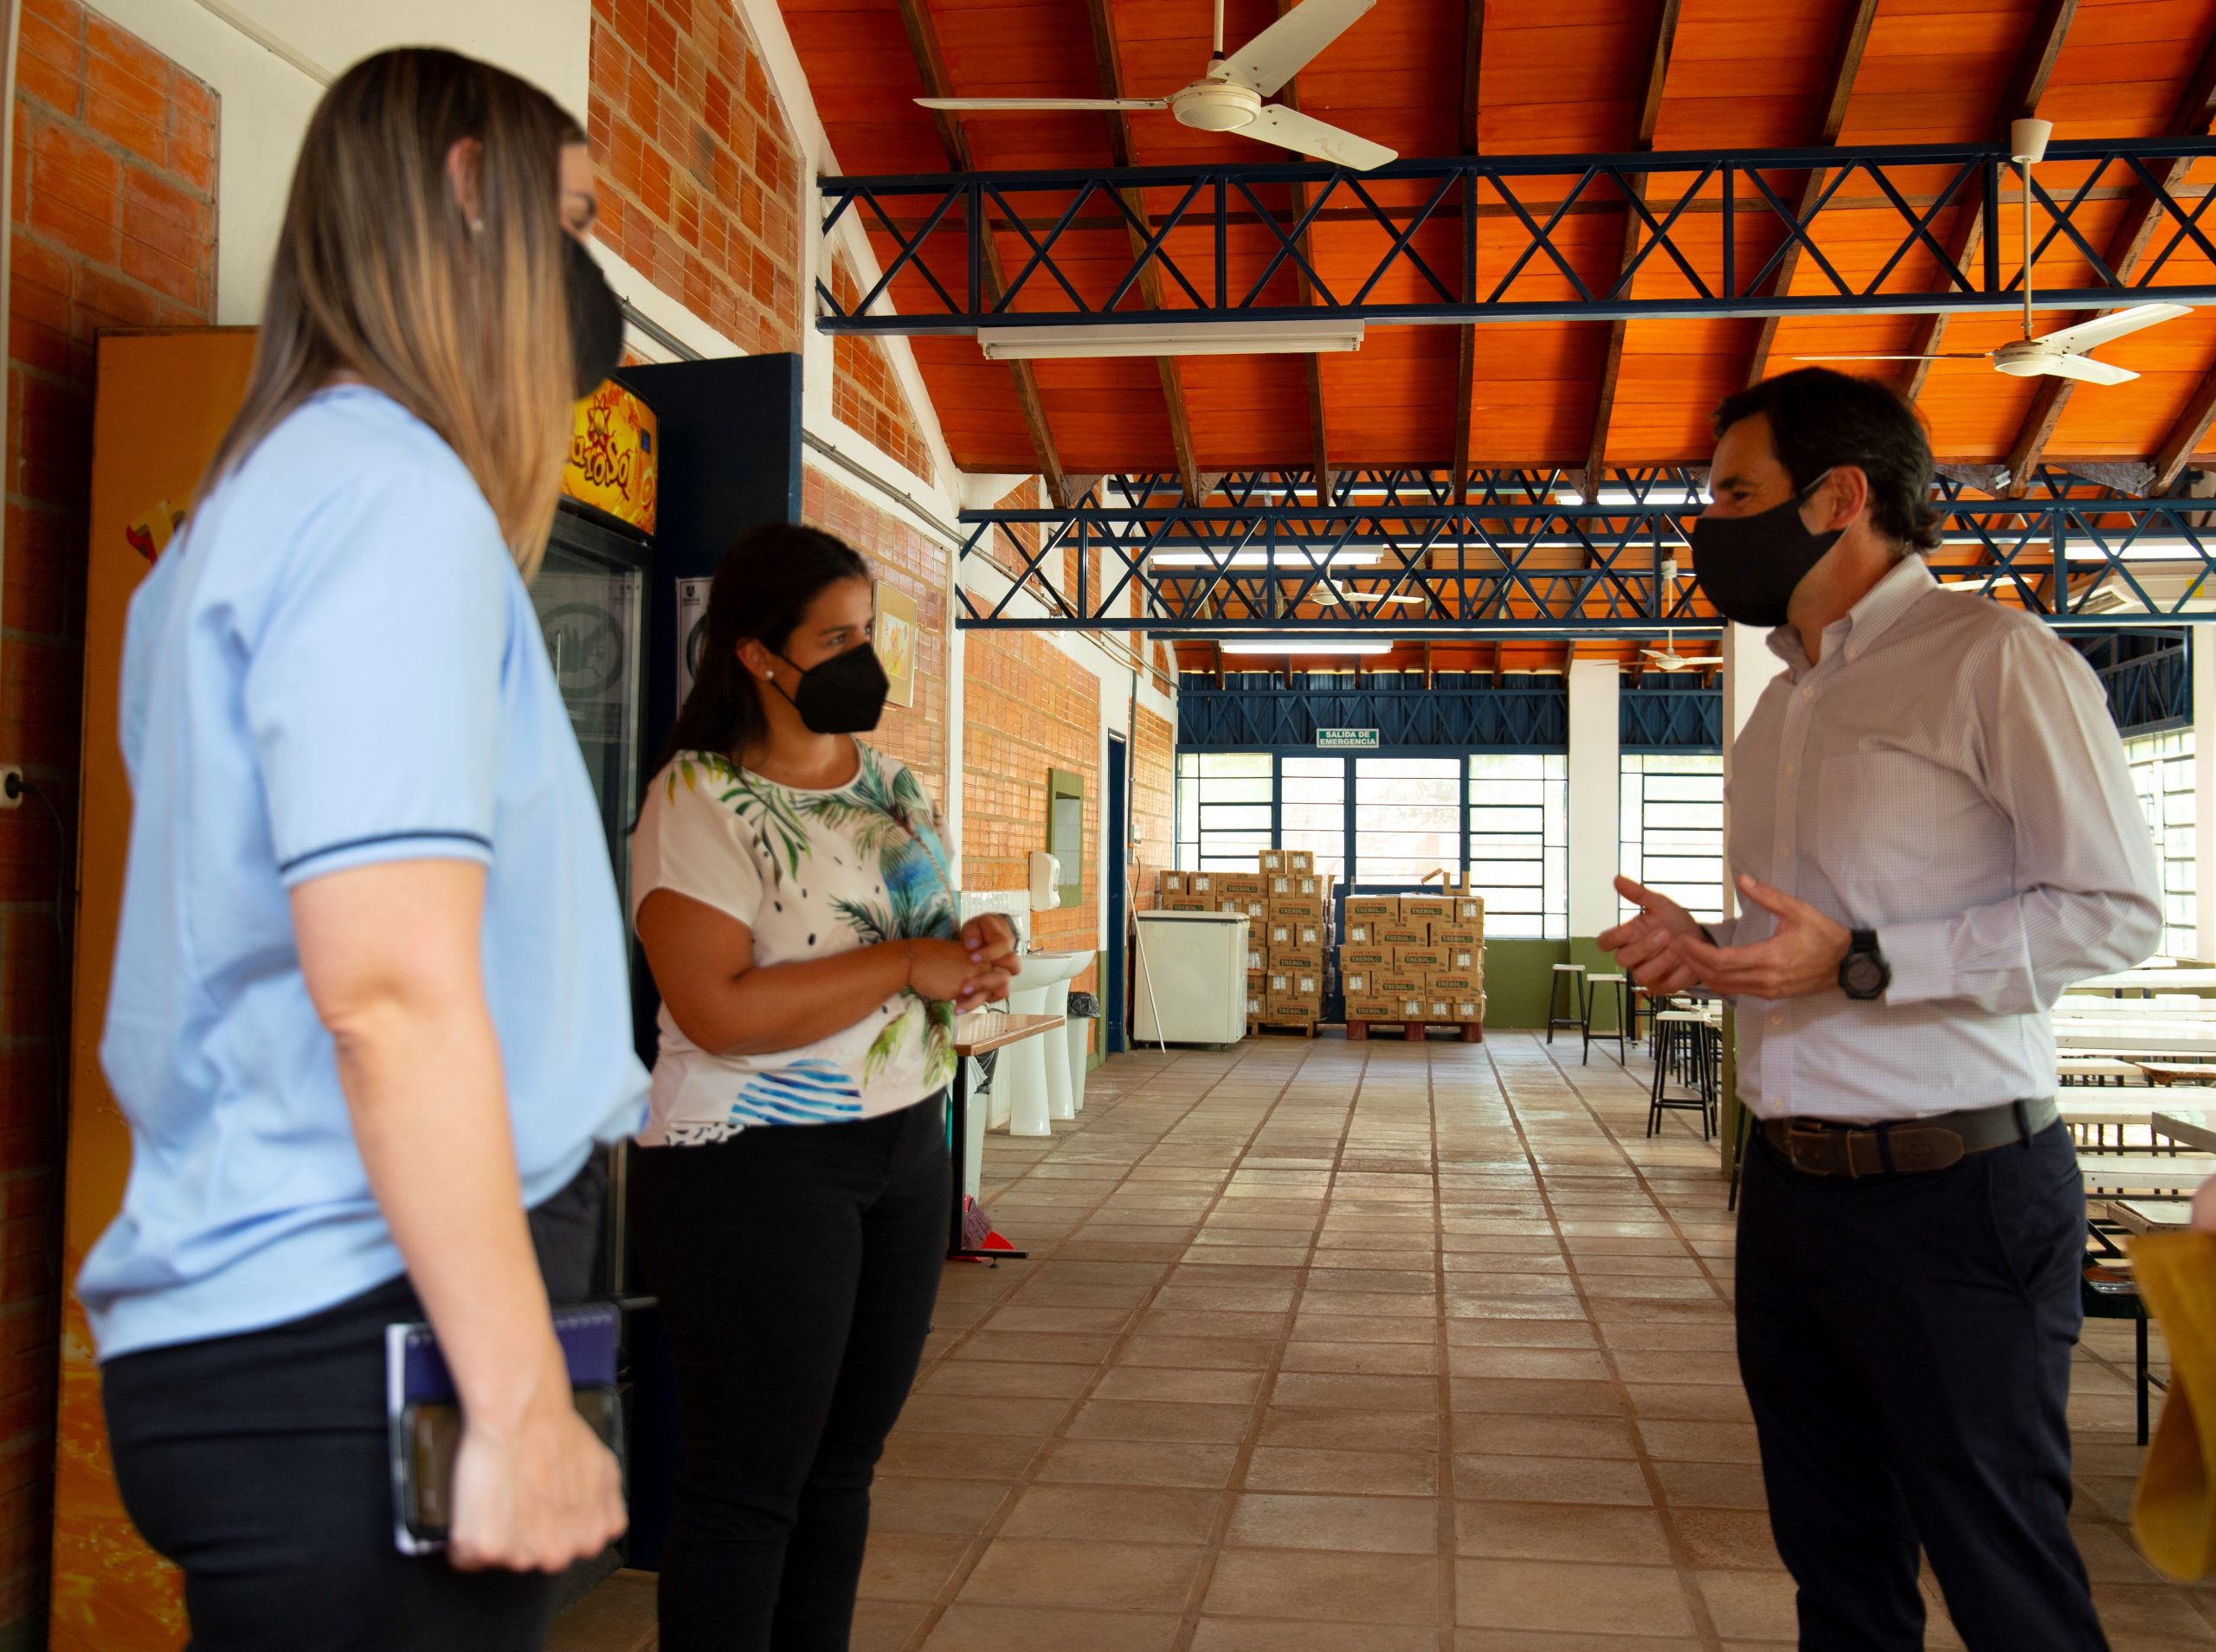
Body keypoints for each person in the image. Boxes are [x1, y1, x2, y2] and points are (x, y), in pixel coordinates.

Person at [89, 48, 644, 1650]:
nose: (588, 283)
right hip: (359, 1317)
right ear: (467, 190)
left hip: (286, 1325)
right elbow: (390, 990)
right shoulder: (389, 495)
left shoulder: (247, 511)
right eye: (572, 219)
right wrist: (521, 1394)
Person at [1600, 367, 2160, 1651]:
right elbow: (1809, 933)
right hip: (1792, 1195)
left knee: (2002, 1569)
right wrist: (1714, 949)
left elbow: (2115, 909)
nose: (1711, 524)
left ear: (1838, 497)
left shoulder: (1992, 659)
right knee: (1838, 1569)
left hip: (1957, 1194)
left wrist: (1862, 963)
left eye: (1735, 492)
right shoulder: (1782, 705)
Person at [628, 524, 1018, 1650]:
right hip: (753, 1168)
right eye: (835, 636)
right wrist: (902, 963)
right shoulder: (700, 798)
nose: (865, 658)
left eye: (869, 633)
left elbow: (932, 946)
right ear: (759, 655)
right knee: (750, 1486)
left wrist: (971, 946)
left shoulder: (896, 787)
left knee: (844, 1469)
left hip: (903, 1143)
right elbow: (719, 1008)